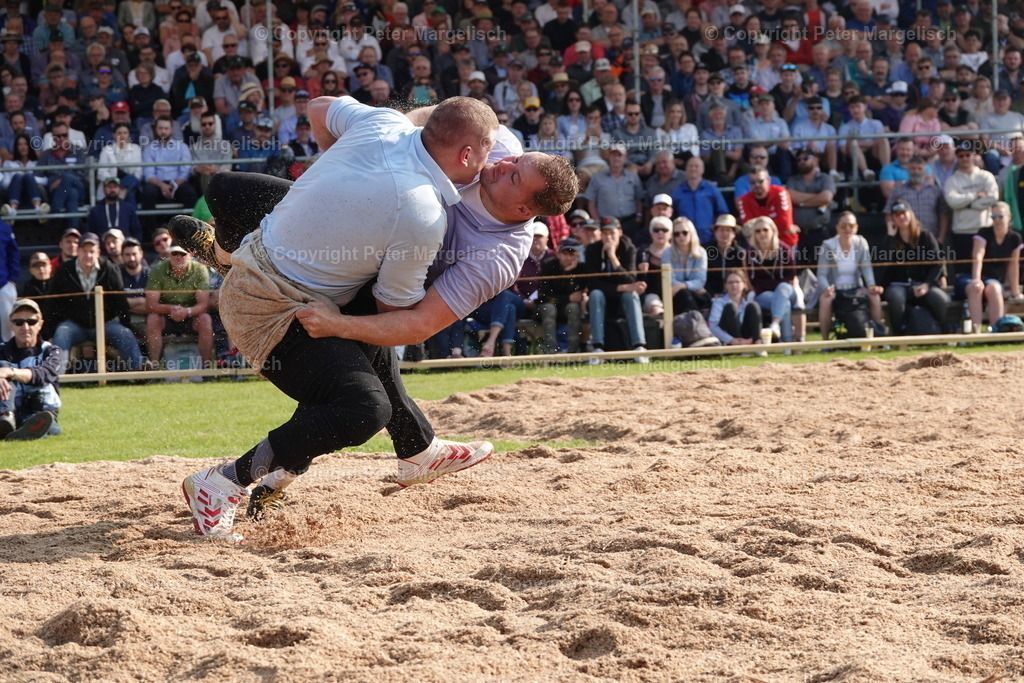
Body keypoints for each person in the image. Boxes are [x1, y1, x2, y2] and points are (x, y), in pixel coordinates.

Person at [176, 98, 538, 539]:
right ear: (467, 153)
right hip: (276, 301)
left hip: (306, 272)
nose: (497, 163)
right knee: (361, 404)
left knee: (354, 371)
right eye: (499, 156)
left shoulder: (385, 124)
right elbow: (394, 311)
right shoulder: (424, 212)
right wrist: (342, 191)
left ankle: (411, 449)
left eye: (513, 167)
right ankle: (229, 481)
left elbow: (320, 108)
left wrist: (344, 190)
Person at [49, 232, 143, 371]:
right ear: (78, 251)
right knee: (61, 334)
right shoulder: (64, 270)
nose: (88, 255)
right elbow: (53, 302)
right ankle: (54, 379)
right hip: (74, 325)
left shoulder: (110, 268)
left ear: (98, 252)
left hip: (106, 324)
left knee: (125, 334)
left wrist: (125, 325)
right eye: (84, 251)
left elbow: (120, 301)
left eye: (92, 251)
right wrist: (52, 331)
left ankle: (139, 374)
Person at [582, 217, 648, 363]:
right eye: (605, 233)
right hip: (601, 300)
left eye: (611, 233)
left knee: (631, 295)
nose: (608, 237)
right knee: (595, 294)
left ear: (619, 232)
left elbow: (631, 280)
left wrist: (613, 257)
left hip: (622, 301)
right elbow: (592, 283)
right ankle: (597, 347)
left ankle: (639, 347)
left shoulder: (628, 247)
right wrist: (622, 287)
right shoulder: (592, 250)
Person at [881, 203, 949, 335]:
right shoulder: (891, 239)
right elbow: (883, 262)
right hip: (898, 285)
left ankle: (943, 332)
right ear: (893, 219)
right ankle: (898, 336)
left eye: (904, 213)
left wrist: (927, 284)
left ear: (910, 214)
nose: (901, 217)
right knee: (897, 298)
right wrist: (890, 236)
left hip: (922, 284)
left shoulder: (925, 236)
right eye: (897, 215)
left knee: (940, 298)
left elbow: (938, 263)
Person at [815, 211, 884, 340]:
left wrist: (871, 285)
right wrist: (826, 288)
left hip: (856, 288)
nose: (847, 229)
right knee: (825, 300)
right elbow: (821, 274)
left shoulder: (861, 243)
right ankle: (825, 341)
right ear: (837, 228)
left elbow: (866, 268)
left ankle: (878, 336)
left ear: (856, 228)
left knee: (875, 297)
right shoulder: (828, 245)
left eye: (851, 226)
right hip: (834, 289)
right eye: (843, 226)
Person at [0, 299, 63, 440]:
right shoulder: (2, 350)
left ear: (40, 324)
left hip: (42, 408)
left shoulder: (52, 351)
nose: (25, 327)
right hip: (9, 406)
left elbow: (43, 374)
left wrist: (10, 372)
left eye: (31, 322)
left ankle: (15, 428)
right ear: (10, 325)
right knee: (3, 371)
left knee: (47, 426)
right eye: (19, 322)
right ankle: (6, 419)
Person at [742, 216, 803, 343]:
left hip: (787, 291)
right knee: (783, 302)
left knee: (783, 288)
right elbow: (754, 282)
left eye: (765, 230)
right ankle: (786, 344)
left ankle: (775, 324)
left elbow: (790, 277)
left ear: (773, 231)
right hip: (764, 295)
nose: (762, 233)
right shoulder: (750, 254)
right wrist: (776, 287)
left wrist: (776, 287)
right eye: (758, 231)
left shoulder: (784, 250)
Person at [965, 202, 1022, 332]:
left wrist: (1015, 291)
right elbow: (978, 256)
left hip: (994, 280)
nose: (997, 220)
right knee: (976, 288)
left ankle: (996, 331)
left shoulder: (1015, 238)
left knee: (994, 288)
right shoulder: (984, 232)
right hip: (971, 276)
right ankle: (976, 332)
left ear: (1009, 217)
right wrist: (976, 279)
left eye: (1000, 216)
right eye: (993, 217)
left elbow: (1014, 265)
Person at [944, 140, 998, 277]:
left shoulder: (986, 176)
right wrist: (975, 196)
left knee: (987, 272)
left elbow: (993, 198)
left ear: (974, 156)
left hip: (984, 229)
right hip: (961, 232)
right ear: (957, 157)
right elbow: (952, 202)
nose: (965, 158)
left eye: (968, 155)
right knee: (964, 273)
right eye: (961, 156)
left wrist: (967, 204)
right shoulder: (952, 180)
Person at [537, 237, 585, 353]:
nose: (568, 258)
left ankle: (573, 350)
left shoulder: (581, 269)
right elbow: (543, 296)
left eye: (572, 254)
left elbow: (581, 292)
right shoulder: (548, 265)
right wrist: (568, 298)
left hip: (568, 308)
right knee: (549, 308)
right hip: (547, 307)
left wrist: (568, 272)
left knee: (573, 307)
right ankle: (551, 351)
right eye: (565, 253)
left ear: (577, 255)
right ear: (558, 254)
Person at [671, 156, 728, 245]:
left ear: (703, 170)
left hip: (709, 240)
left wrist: (716, 233)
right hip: (684, 241)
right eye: (690, 166)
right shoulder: (677, 192)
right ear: (686, 169)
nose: (693, 169)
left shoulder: (712, 190)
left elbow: (723, 214)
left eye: (696, 166)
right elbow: (672, 215)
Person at [736, 167, 797, 250]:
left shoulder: (780, 192)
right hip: (758, 248)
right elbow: (748, 229)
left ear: (768, 180)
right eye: (753, 182)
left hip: (786, 244)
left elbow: (785, 223)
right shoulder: (743, 200)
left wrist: (757, 227)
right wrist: (776, 225)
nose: (757, 185)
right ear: (749, 184)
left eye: (760, 181)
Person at [665, 216, 708, 314]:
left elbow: (700, 281)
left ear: (691, 233)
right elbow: (669, 281)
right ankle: (697, 323)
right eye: (676, 234)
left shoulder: (701, 252)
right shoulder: (667, 253)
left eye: (684, 232)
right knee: (684, 294)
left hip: (694, 295)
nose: (681, 236)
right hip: (675, 296)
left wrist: (682, 285)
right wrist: (689, 286)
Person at [707, 269, 762, 346]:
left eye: (737, 282)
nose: (734, 285)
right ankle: (740, 345)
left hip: (746, 338)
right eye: (730, 282)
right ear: (725, 285)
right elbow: (713, 326)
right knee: (731, 307)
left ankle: (758, 345)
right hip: (729, 340)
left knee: (754, 306)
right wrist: (731, 340)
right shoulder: (718, 302)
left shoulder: (747, 305)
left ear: (744, 284)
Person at [636, 216, 671, 315]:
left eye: (664, 230)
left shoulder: (676, 252)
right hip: (650, 294)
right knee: (657, 310)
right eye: (656, 230)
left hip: (673, 292)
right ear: (651, 233)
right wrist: (640, 271)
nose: (660, 233)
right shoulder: (642, 252)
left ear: (670, 233)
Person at [704, 214, 744, 297]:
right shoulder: (705, 250)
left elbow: (743, 278)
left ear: (734, 234)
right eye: (721, 230)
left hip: (734, 295)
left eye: (728, 230)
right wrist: (711, 294)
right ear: (715, 232)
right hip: (708, 294)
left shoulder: (741, 253)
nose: (725, 233)